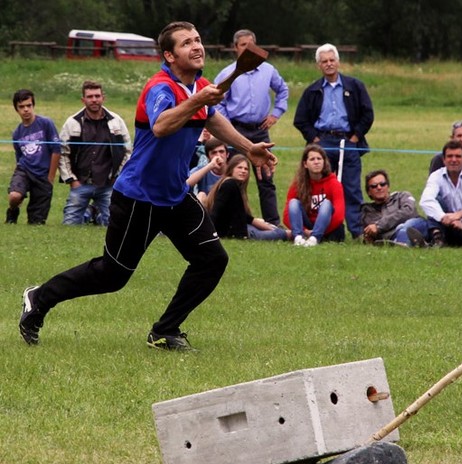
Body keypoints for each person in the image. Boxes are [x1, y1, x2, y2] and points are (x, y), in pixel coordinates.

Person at [18, 21, 278, 351]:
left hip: (175, 196)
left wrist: (248, 146)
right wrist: (198, 101)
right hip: (139, 197)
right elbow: (161, 125)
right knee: (112, 276)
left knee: (212, 260)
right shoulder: (160, 87)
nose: (196, 46)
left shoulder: (199, 86)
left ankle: (165, 330)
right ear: (169, 55)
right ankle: (39, 297)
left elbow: (212, 117)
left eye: (198, 40)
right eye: (186, 43)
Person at [293, 43, 374, 239]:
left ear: (338, 62)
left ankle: (356, 232)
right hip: (323, 143)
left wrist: (355, 137)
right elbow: (300, 120)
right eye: (324, 61)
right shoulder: (312, 90)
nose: (329, 64)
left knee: (351, 188)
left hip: (348, 141)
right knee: (321, 187)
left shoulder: (355, 86)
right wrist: (315, 140)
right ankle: (322, 227)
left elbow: (367, 113)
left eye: (332, 60)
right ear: (318, 65)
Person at [214, 29, 289, 225]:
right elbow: (217, 100)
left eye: (251, 45)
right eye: (242, 45)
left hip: (260, 129)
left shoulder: (268, 70)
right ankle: (232, 221)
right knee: (234, 175)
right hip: (235, 130)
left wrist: (276, 113)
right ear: (235, 48)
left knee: (265, 176)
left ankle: (272, 222)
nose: (247, 49)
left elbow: (282, 90)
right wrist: (226, 122)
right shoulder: (227, 73)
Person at [58, 80, 132, 226]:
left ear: (103, 98)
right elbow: (63, 153)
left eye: (97, 96)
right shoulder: (72, 122)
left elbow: (127, 151)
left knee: (115, 225)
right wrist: (72, 180)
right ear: (83, 99)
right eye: (90, 96)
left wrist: (117, 177)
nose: (94, 100)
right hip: (81, 183)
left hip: (108, 185)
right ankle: (90, 212)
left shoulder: (116, 122)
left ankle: (95, 214)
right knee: (69, 225)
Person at [6, 89, 61, 224]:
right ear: (16, 109)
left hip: (43, 175)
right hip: (24, 170)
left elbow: (56, 149)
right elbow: (19, 157)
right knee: (14, 196)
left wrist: (51, 177)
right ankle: (13, 211)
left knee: (36, 222)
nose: (26, 110)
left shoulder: (46, 123)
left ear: (33, 106)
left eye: (28, 105)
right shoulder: (17, 133)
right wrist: (18, 174)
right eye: (21, 107)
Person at [204, 154, 288, 241]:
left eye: (246, 169)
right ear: (231, 169)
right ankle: (295, 234)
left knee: (269, 227)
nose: (243, 171)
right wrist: (208, 233)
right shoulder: (230, 184)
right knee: (281, 234)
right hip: (234, 232)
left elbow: (243, 216)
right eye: (239, 168)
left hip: (239, 228)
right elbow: (217, 209)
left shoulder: (232, 185)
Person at [283, 144, 345, 247]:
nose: (316, 162)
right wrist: (305, 231)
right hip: (307, 225)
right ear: (305, 164)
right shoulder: (298, 184)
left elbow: (339, 215)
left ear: (324, 162)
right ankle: (298, 238)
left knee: (326, 204)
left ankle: (314, 239)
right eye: (312, 159)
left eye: (319, 159)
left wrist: (319, 231)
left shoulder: (334, 184)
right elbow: (287, 215)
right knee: (293, 203)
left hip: (326, 227)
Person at [361, 169, 428, 247]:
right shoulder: (368, 211)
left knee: (405, 227)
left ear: (388, 187)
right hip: (392, 236)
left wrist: (379, 226)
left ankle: (402, 243)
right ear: (369, 192)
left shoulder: (402, 196)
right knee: (400, 230)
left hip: (415, 225)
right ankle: (411, 243)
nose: (379, 188)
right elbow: (373, 231)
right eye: (374, 186)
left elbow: (409, 212)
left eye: (382, 184)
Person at [187, 137, 228, 202]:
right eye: (214, 153)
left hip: (226, 206)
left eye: (221, 152)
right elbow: (186, 183)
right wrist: (210, 166)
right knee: (201, 195)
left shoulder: (233, 170)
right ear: (208, 157)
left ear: (227, 154)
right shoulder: (203, 169)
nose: (218, 155)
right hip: (207, 206)